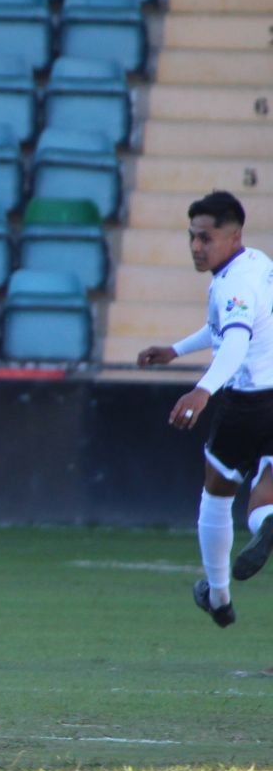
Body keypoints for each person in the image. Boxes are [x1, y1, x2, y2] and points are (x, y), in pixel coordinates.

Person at [137, 190, 273, 627]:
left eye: (206, 238)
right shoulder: (257, 264)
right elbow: (224, 324)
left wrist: (202, 390)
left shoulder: (232, 282)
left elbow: (236, 340)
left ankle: (217, 597)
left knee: (216, 493)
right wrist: (176, 349)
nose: (197, 247)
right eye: (192, 237)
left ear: (233, 237)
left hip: (248, 400)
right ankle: (268, 522)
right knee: (265, 494)